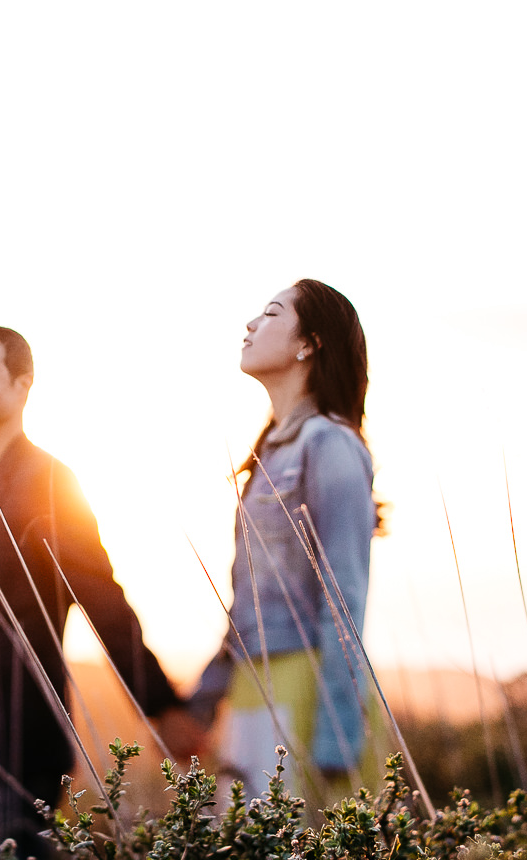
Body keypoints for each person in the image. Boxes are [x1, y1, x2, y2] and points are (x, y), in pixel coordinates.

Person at [0, 326, 204, 855]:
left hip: (21, 722)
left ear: (22, 386)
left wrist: (159, 705)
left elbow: (101, 598)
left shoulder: (47, 479)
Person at [188, 280, 383, 802]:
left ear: (310, 342)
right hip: (254, 681)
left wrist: (336, 736)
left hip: (307, 682)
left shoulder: (330, 445)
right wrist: (204, 697)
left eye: (271, 314)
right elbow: (249, 603)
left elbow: (345, 600)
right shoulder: (270, 453)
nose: (251, 325)